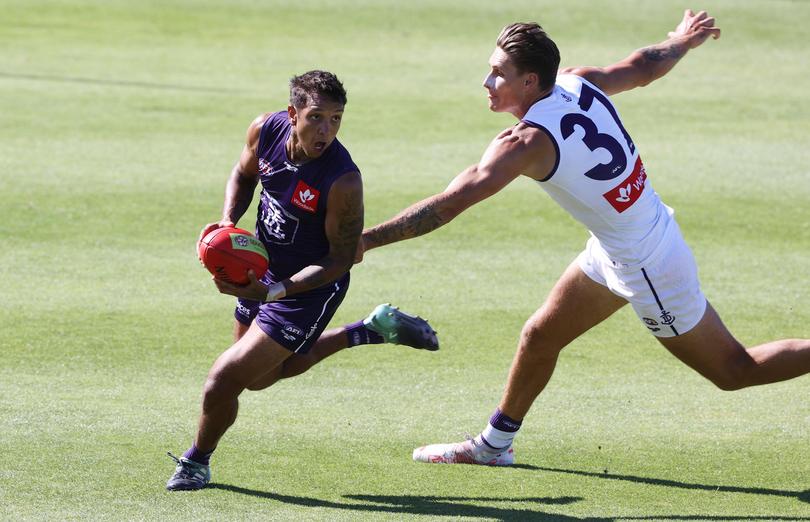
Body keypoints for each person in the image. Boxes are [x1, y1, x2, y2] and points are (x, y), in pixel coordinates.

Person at [360, 10, 810, 466]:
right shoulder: (576, 82)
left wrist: (365, 240)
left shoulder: (526, 143)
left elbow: (449, 203)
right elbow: (644, 66)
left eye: (499, 73)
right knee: (539, 335)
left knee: (734, 371)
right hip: (624, 244)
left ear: (531, 81)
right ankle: (494, 446)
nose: (486, 81)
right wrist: (681, 40)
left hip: (646, 264)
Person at [166, 70, 439, 490]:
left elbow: (341, 258)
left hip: (310, 288)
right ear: (293, 114)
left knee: (224, 379)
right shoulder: (266, 129)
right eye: (316, 117)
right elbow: (243, 176)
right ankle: (366, 331)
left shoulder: (342, 180)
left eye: (336, 119)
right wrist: (227, 221)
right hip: (263, 269)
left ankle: (196, 462)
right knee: (259, 378)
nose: (326, 130)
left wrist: (277, 291)